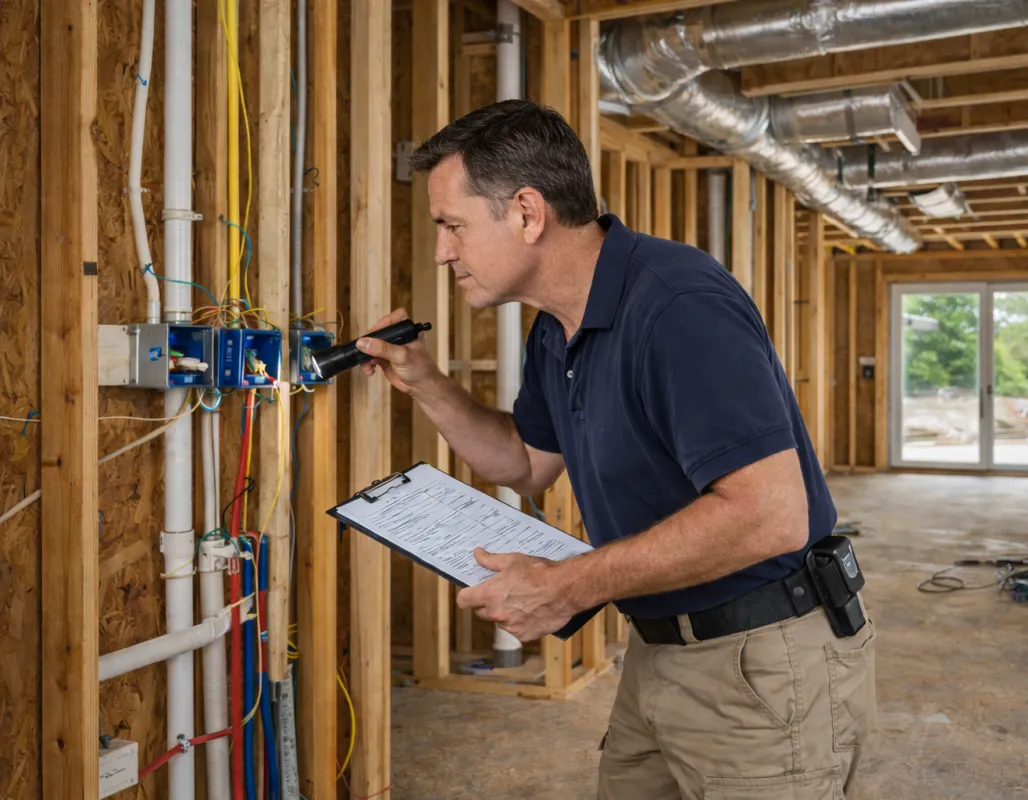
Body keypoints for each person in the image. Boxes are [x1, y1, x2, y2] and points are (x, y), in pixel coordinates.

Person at [355, 99, 877, 799]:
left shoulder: (675, 303)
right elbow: (525, 462)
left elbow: (770, 513)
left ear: (528, 213)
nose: (444, 250)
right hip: (659, 648)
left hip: (761, 661)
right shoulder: (553, 329)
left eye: (452, 226)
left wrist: (563, 586)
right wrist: (425, 382)